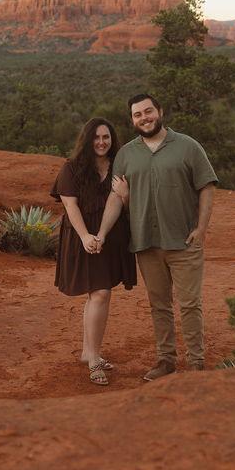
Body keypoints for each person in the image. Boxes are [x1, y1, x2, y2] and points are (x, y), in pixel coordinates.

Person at [97, 93, 217, 381]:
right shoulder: (126, 154)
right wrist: (103, 230)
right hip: (146, 243)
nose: (144, 118)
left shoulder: (188, 147)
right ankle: (166, 361)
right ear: (132, 120)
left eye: (148, 111)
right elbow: (117, 197)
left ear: (159, 111)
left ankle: (196, 364)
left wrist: (201, 229)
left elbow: (207, 187)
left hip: (184, 242)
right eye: (137, 115)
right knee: (159, 304)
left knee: (190, 304)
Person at [51, 117, 136, 386]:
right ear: (87, 140)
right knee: (100, 292)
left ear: (113, 141)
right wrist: (86, 236)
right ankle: (95, 358)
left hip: (109, 236)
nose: (101, 142)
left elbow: (121, 202)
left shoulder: (119, 167)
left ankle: (88, 351)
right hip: (81, 236)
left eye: (106, 138)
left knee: (97, 294)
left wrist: (102, 232)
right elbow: (70, 206)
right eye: (96, 138)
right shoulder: (72, 168)